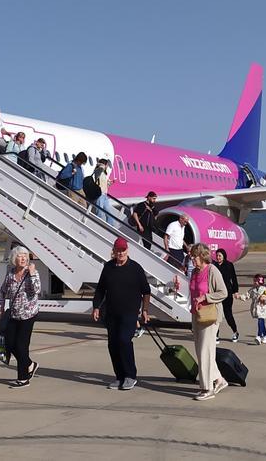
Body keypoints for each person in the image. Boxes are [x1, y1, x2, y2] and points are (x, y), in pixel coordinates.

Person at [92, 237, 151, 391]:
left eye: (123, 250)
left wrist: (145, 310)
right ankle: (119, 376)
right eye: (118, 250)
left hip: (129, 313)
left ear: (127, 250)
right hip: (111, 313)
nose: (120, 253)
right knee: (113, 344)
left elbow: (146, 291)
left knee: (124, 341)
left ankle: (130, 375)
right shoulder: (108, 267)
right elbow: (100, 289)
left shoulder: (136, 268)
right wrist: (96, 306)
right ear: (113, 251)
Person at [187, 243, 228, 401]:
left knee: (205, 351)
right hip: (197, 315)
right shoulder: (194, 273)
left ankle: (207, 388)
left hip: (211, 316)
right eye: (191, 257)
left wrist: (206, 297)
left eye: (194, 257)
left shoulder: (212, 270)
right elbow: (192, 291)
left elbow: (223, 292)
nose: (192, 259)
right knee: (201, 351)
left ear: (202, 256)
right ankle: (219, 379)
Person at [0, 246, 41, 388]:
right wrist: (1, 308)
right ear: (14, 259)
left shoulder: (31, 274)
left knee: (21, 346)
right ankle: (30, 364)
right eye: (19, 256)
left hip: (28, 315)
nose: (23, 258)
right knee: (10, 344)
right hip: (14, 314)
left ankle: (23, 378)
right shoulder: (10, 274)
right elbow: (3, 292)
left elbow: (36, 290)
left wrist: (33, 273)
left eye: (25, 256)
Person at [212, 249, 240, 343]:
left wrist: (235, 291)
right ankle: (216, 334)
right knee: (216, 315)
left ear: (224, 256)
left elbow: (234, 278)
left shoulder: (229, 265)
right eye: (217, 256)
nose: (218, 257)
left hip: (227, 293)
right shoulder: (214, 266)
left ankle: (235, 332)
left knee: (228, 315)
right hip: (216, 293)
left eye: (220, 256)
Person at [238, 274, 266, 344]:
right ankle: (265, 336)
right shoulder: (252, 290)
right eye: (254, 281)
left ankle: (259, 336)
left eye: (256, 281)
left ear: (260, 281)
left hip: (262, 308)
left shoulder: (265, 290)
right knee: (261, 322)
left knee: (260, 320)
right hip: (255, 308)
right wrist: (239, 297)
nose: (254, 282)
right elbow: (246, 296)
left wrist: (265, 299)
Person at [92, 158, 114, 224]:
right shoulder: (98, 171)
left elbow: (103, 184)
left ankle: (110, 228)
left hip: (104, 195)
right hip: (99, 195)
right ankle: (98, 226)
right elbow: (98, 172)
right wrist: (102, 165)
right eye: (107, 165)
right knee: (99, 213)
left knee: (109, 214)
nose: (107, 167)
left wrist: (110, 183)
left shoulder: (104, 174)